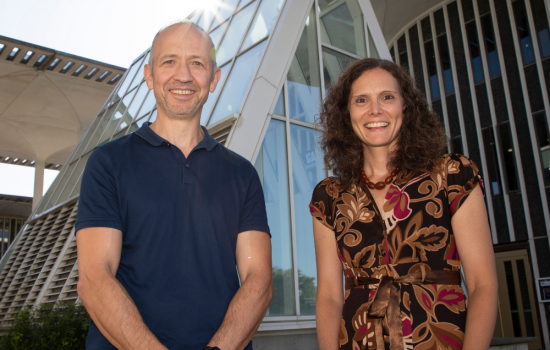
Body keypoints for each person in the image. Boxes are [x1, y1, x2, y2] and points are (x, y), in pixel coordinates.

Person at [75, 20, 273, 350]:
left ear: (214, 78)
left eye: (197, 63)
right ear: (149, 75)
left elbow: (259, 280)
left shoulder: (242, 174)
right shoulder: (108, 163)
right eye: (169, 61)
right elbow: (94, 278)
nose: (183, 75)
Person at [310, 58, 498, 350]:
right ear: (346, 114)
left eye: (387, 97)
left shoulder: (452, 176)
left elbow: (482, 284)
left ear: (406, 106)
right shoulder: (329, 196)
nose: (375, 110)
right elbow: (330, 297)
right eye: (361, 100)